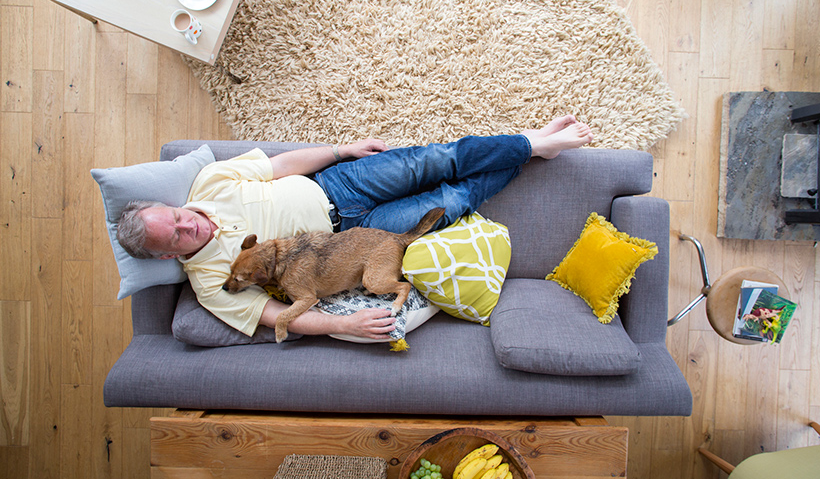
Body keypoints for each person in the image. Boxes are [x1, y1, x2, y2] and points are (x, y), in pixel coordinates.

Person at [117, 116, 593, 340]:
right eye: (177, 236)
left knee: (438, 158)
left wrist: (340, 150)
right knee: (453, 200)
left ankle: (532, 142)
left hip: (336, 187)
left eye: (178, 215)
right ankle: (531, 153)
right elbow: (276, 318)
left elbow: (280, 165)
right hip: (365, 240)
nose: (189, 225)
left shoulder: (208, 182)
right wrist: (343, 324)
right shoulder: (210, 284)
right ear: (166, 257)